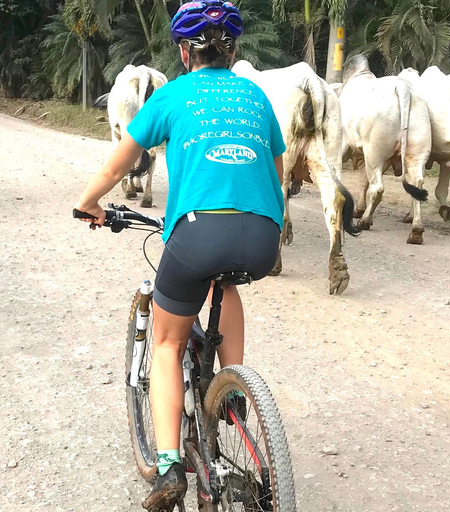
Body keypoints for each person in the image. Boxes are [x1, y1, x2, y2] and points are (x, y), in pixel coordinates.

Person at [74, 2, 286, 509]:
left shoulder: (172, 95)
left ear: (185, 50)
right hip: (262, 236)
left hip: (195, 236)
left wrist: (88, 203)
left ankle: (169, 468)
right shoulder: (255, 95)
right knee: (225, 283)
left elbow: (120, 161)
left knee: (167, 344)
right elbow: (277, 173)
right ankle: (232, 395)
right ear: (232, 51)